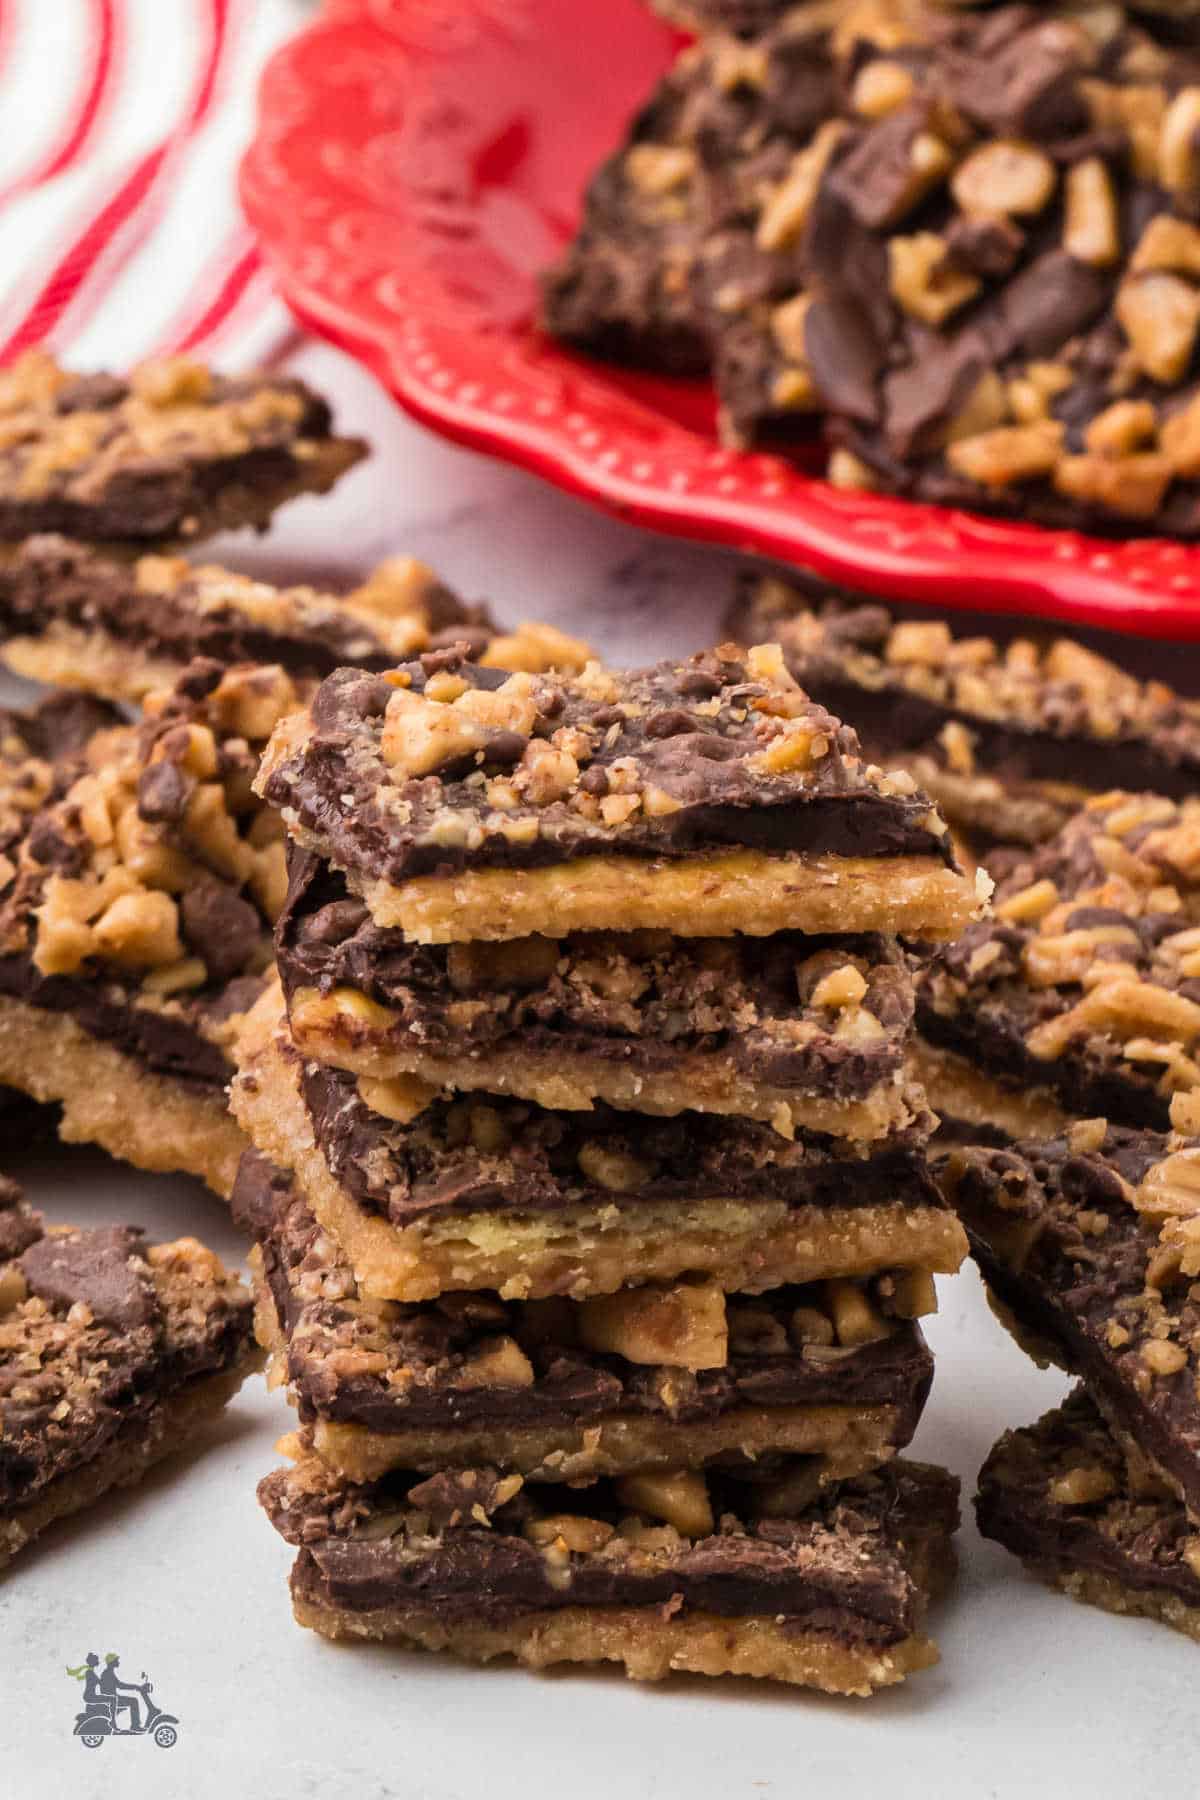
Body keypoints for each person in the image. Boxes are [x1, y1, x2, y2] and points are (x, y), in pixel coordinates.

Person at [98, 1652, 142, 1731]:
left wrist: (135, 1687)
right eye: (116, 1660)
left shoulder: (109, 1672)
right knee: (134, 1701)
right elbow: (120, 1686)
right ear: (112, 1662)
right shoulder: (108, 1673)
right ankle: (135, 1726)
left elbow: (119, 1685)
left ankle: (135, 1725)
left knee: (133, 1700)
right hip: (112, 1699)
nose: (118, 1662)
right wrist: (135, 1687)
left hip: (113, 1697)